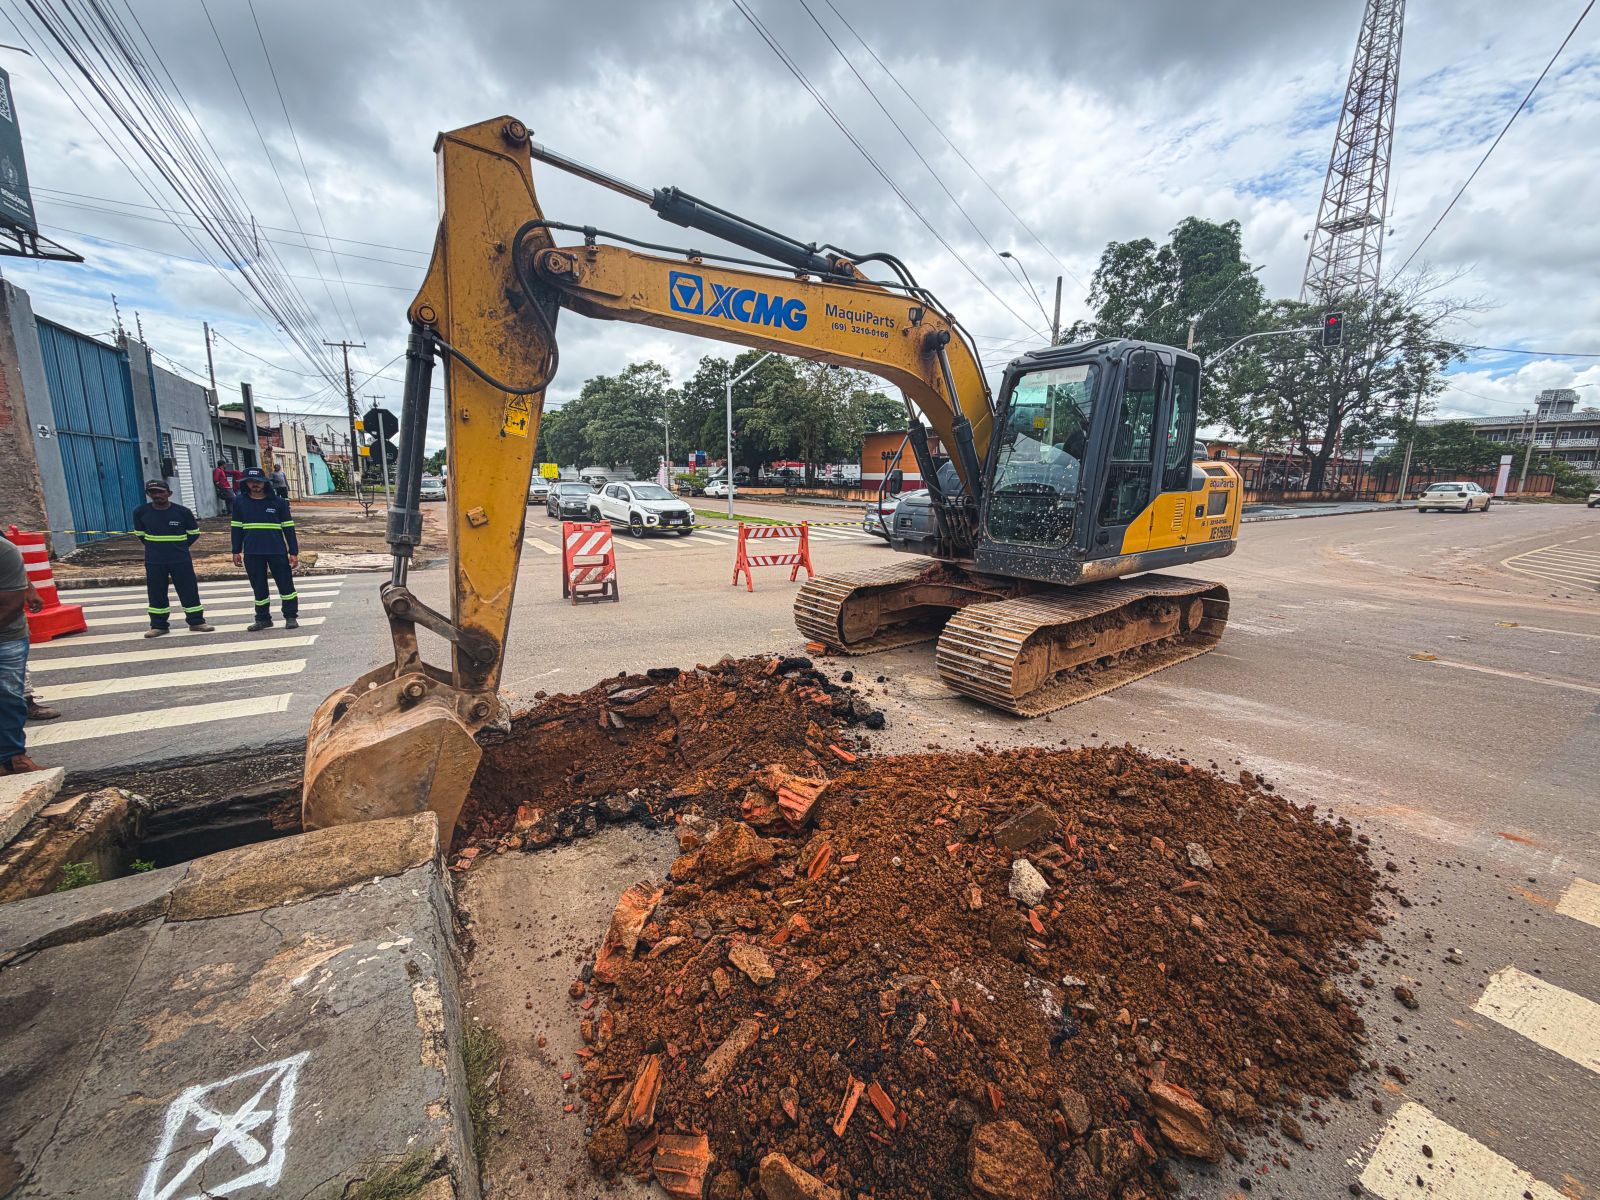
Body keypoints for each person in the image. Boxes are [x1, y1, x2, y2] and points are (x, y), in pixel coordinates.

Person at [132, 480, 214, 639]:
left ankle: (196, 621)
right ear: (148, 494)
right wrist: (156, 548)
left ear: (169, 493)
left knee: (188, 590)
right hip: (154, 560)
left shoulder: (182, 512)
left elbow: (193, 533)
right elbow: (141, 535)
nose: (157, 495)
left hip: (180, 559)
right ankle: (158, 625)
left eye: (161, 492)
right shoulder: (141, 512)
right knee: (156, 592)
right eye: (153, 492)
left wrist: (179, 547)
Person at [231, 467, 299, 631]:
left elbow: (289, 529)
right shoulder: (240, 502)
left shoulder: (278, 503)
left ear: (264, 483)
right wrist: (236, 550)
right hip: (253, 552)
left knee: (286, 586)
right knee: (258, 587)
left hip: (276, 550)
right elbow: (236, 528)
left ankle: (290, 616)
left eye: (258, 481)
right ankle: (262, 618)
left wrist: (293, 552)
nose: (254, 484)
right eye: (250, 481)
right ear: (245, 483)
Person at [0, 535, 46, 774]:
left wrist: (29, 587)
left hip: (6, 635)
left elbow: (10, 606)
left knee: (7, 696)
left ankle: (14, 758)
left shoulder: (4, 551)